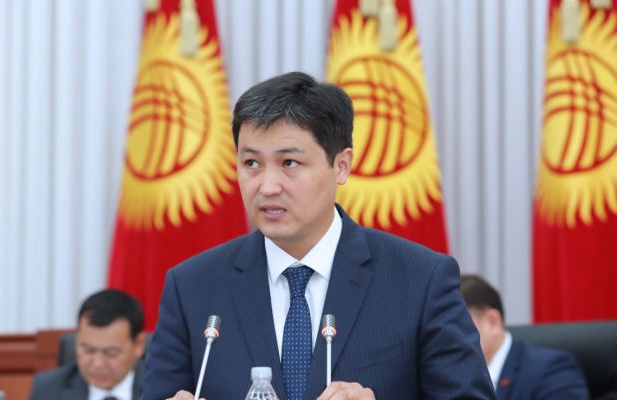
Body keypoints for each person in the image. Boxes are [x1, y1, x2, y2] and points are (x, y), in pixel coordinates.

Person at [140, 72, 495, 399]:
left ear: (341, 165)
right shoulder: (192, 287)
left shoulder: (420, 280)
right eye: (251, 164)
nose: (267, 186)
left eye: (289, 163)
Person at [460, 274, 590, 399]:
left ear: (492, 322)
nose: (450, 338)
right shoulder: (453, 376)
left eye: (457, 326)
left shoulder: (552, 369)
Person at [28, 289, 147, 400]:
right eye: (88, 350)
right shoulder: (48, 390)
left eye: (111, 353)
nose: (98, 363)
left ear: (138, 345)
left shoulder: (157, 388)